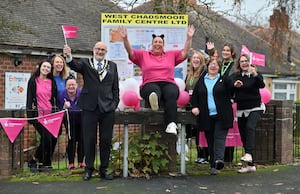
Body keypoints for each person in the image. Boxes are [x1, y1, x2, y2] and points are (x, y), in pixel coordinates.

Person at [117, 25, 195, 135]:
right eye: (155, 42)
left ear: (163, 45)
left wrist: (189, 38)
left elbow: (185, 52)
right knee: (154, 90)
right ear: (152, 44)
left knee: (171, 93)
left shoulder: (171, 55)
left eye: (160, 42)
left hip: (168, 82)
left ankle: (171, 124)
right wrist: (125, 39)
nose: (157, 44)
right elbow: (131, 52)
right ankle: (155, 100)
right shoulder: (144, 55)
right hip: (149, 83)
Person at [63, 41, 119, 180]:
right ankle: (88, 169)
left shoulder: (112, 66)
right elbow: (74, 66)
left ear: (106, 52)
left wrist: (114, 104)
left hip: (107, 109)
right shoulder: (85, 63)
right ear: (94, 50)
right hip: (89, 108)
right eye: (98, 49)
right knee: (89, 139)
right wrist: (68, 57)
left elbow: (115, 88)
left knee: (106, 140)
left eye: (103, 50)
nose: (100, 52)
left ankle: (104, 169)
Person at [191, 57, 233, 175]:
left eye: (216, 65)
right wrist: (195, 106)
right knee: (210, 140)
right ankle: (213, 164)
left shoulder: (224, 80)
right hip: (206, 115)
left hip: (222, 115)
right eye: (211, 64)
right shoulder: (201, 80)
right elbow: (195, 96)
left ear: (219, 68)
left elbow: (232, 88)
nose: (213, 66)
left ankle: (219, 160)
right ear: (207, 66)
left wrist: (236, 85)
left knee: (219, 138)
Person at [231, 54, 265, 173]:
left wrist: (255, 74)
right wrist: (234, 86)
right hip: (241, 109)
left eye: (246, 61)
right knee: (244, 135)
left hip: (255, 107)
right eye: (242, 62)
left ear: (250, 62)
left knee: (250, 127)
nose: (244, 63)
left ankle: (249, 154)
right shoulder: (236, 76)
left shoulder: (255, 74)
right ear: (239, 64)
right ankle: (251, 165)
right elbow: (229, 88)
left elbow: (262, 84)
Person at [26, 59, 58, 171]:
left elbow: (55, 98)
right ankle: (35, 158)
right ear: (40, 67)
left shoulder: (51, 82)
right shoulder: (33, 81)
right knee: (47, 137)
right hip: (38, 115)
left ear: (50, 70)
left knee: (52, 138)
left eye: (48, 67)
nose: (46, 69)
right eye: (44, 66)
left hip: (50, 114)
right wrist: (29, 113)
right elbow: (29, 97)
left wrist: (57, 110)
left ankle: (45, 163)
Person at [206, 42, 236, 163]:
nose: (225, 52)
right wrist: (211, 50)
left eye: (228, 50)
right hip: (216, 100)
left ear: (232, 53)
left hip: (228, 100)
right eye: (223, 50)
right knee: (215, 135)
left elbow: (233, 82)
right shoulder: (220, 64)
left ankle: (227, 158)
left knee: (223, 134)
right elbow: (210, 63)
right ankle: (216, 159)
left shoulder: (233, 65)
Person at [184, 50, 209, 164]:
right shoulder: (189, 74)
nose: (195, 60)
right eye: (194, 58)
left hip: (200, 106)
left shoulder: (203, 73)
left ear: (202, 61)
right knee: (190, 131)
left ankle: (203, 156)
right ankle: (196, 154)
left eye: (198, 58)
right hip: (189, 105)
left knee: (201, 131)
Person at [58, 75, 84, 170]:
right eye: (69, 85)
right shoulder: (61, 95)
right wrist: (64, 107)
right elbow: (60, 110)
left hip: (81, 119)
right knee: (71, 140)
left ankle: (81, 162)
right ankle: (71, 163)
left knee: (82, 140)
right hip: (69, 120)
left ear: (76, 85)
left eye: (73, 85)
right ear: (66, 86)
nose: (71, 87)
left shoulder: (81, 93)